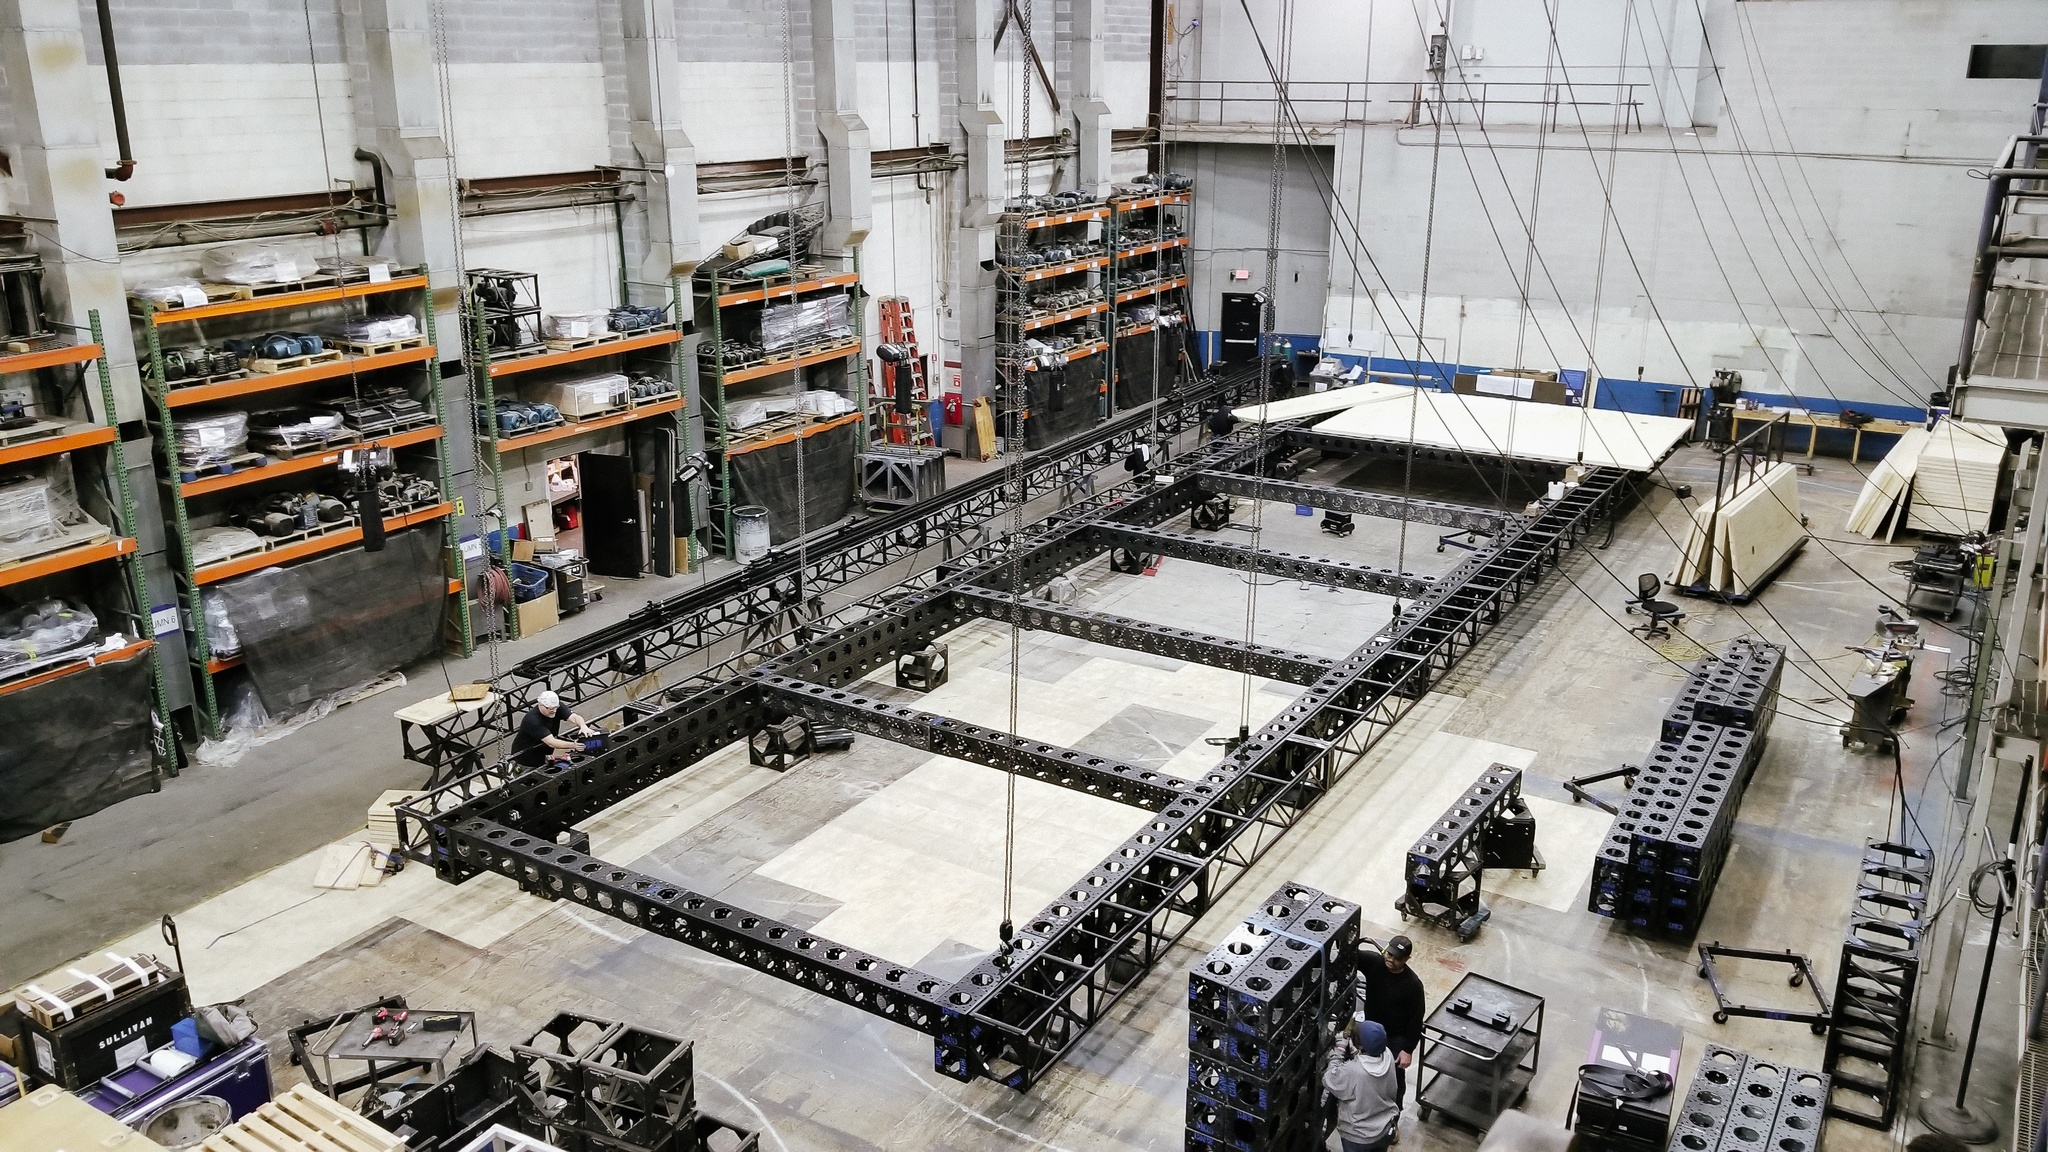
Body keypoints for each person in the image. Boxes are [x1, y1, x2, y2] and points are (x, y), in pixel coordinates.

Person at [1358, 935, 1426, 1117]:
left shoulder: (1412, 985)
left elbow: (1416, 1019)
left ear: (1406, 960)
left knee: (1394, 1080)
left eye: (1396, 958)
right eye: (1389, 954)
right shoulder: (1374, 963)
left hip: (1395, 1038)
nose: (1390, 959)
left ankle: (1393, 1118)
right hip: (1371, 1032)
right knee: (1364, 1071)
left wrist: (1408, 1049)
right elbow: (1350, 954)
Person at [1323, 1019, 1401, 1152]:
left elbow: (1329, 1079)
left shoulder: (1353, 1071)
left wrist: (1339, 1050)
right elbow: (1369, 1060)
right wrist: (1356, 1051)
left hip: (1358, 1138)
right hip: (1384, 1130)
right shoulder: (1387, 1054)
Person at [509, 689, 596, 769]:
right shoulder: (532, 720)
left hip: (543, 757)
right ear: (541, 705)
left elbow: (574, 717)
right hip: (525, 761)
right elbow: (551, 742)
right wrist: (574, 745)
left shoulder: (556, 707)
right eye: (550, 709)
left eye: (555, 708)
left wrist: (583, 726)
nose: (553, 711)